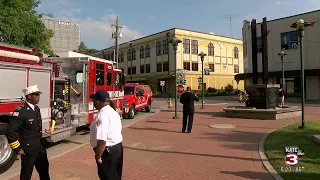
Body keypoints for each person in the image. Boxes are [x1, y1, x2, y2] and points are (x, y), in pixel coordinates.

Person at [6, 85, 50, 180]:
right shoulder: (21, 111)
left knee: (44, 172)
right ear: (29, 96)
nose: (39, 97)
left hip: (39, 148)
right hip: (28, 150)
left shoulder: (36, 109)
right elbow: (10, 131)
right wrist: (17, 149)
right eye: (36, 95)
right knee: (26, 175)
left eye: (39, 95)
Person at [89, 90, 123, 180]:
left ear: (97, 102)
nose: (93, 104)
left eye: (94, 101)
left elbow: (102, 140)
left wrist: (98, 156)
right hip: (118, 148)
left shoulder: (102, 115)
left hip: (107, 152)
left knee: (107, 177)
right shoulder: (114, 112)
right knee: (115, 176)